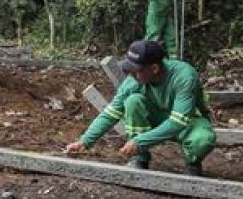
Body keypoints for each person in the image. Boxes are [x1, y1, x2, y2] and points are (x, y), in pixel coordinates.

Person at [64, 39, 216, 176]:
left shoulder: (184, 77)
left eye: (135, 70)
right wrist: (84, 142)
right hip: (156, 118)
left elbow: (177, 122)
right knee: (133, 102)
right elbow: (110, 114)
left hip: (187, 121)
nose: (130, 74)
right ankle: (139, 158)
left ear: (154, 69)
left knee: (203, 140)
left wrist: (140, 141)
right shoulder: (133, 81)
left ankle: (192, 163)